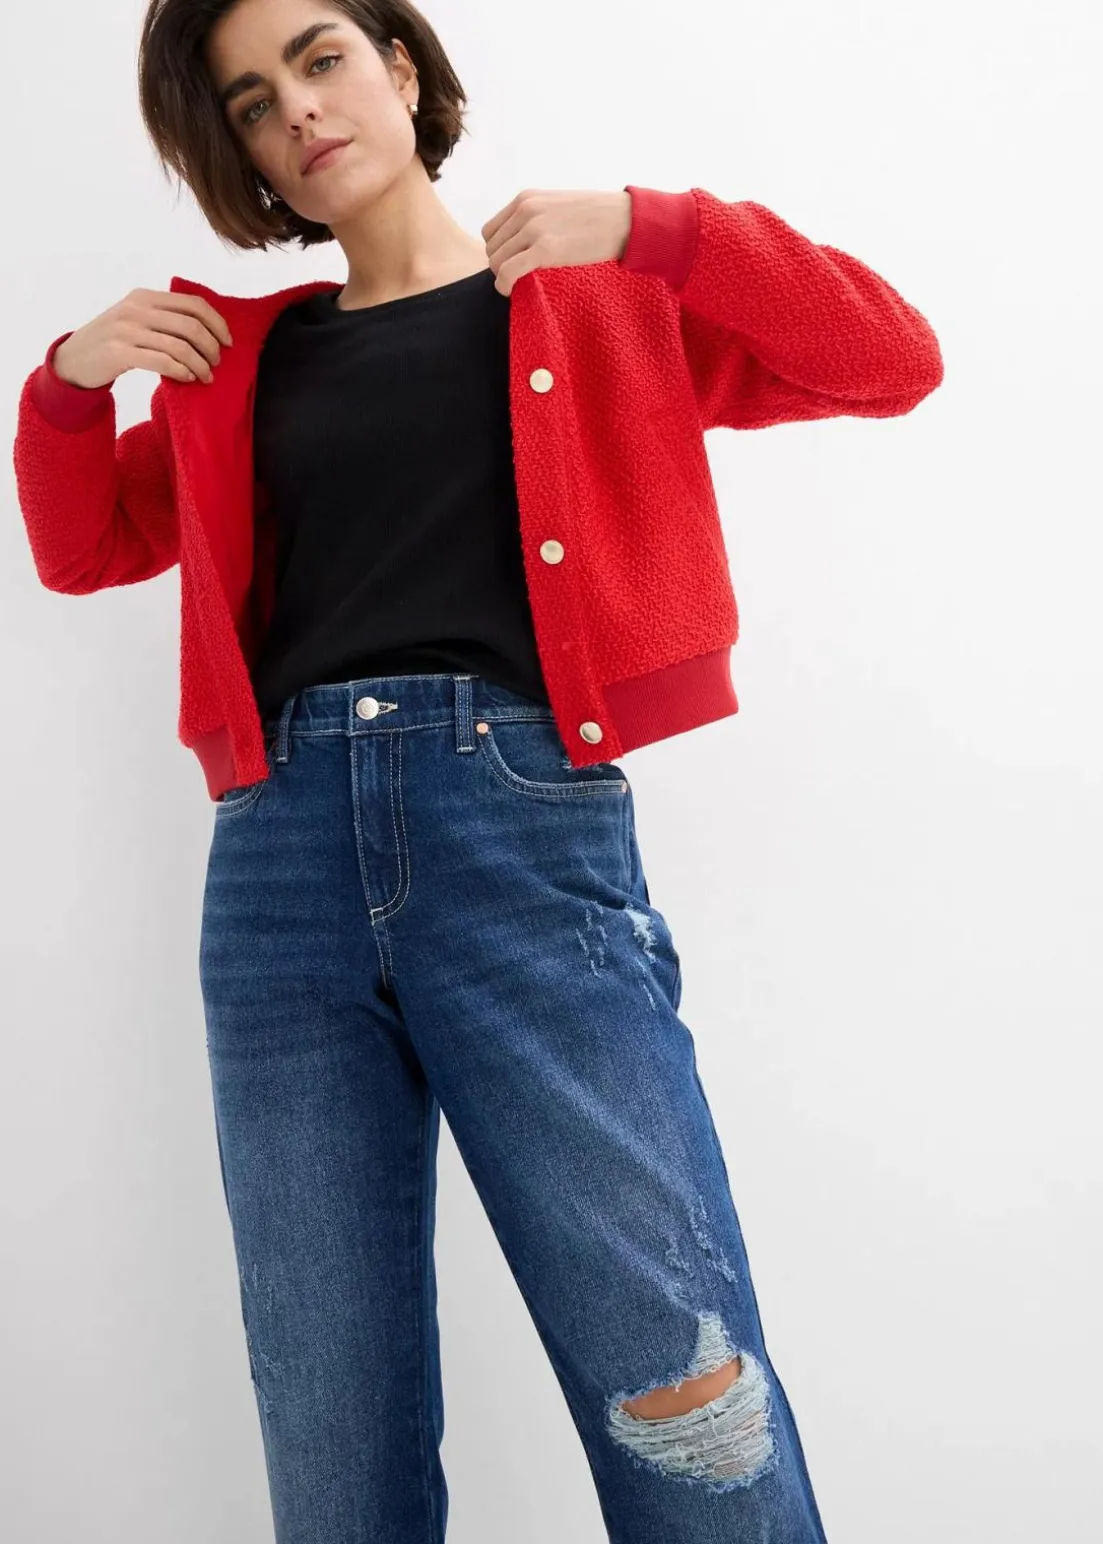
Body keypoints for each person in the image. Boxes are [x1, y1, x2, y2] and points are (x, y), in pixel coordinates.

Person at [11, 0, 943, 1538]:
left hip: (518, 844)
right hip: (276, 879)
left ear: (397, 64)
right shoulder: (240, 360)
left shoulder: (593, 296)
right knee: (330, 1432)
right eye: (249, 104)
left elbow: (887, 358)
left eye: (318, 58)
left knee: (679, 1390)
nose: (296, 112)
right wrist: (66, 380)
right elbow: (85, 545)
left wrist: (658, 229)